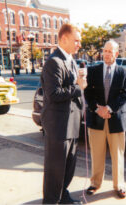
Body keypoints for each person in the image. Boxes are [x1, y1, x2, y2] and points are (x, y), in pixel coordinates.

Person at [41, 23, 86, 204]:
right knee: (55, 172)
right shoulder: (54, 62)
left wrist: (80, 82)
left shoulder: (71, 60)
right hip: (58, 127)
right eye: (76, 40)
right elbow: (53, 94)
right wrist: (78, 87)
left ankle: (63, 197)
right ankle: (52, 201)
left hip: (72, 125)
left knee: (67, 169)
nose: (79, 44)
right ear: (64, 38)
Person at [84, 40, 126, 199]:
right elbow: (87, 94)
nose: (107, 54)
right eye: (105, 50)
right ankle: (95, 183)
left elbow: (124, 95)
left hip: (115, 118)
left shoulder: (124, 73)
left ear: (117, 53)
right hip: (96, 118)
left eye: (110, 51)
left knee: (118, 155)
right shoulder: (92, 71)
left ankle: (119, 185)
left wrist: (109, 109)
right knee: (96, 153)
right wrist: (97, 109)